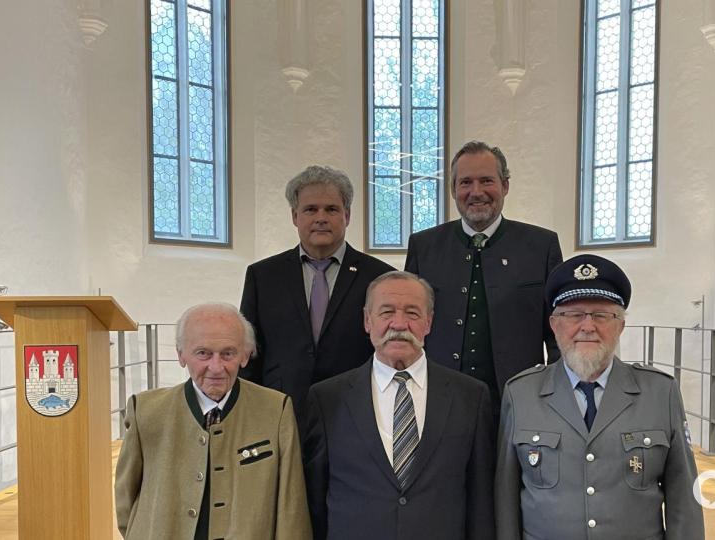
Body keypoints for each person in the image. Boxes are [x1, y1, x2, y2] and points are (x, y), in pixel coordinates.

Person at [494, 255, 705, 540]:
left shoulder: (659, 392)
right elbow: (506, 500)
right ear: (554, 325)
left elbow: (685, 498)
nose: (588, 326)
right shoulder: (521, 394)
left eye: (602, 315)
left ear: (620, 325)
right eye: (574, 315)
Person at [303, 271, 494, 540]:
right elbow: (313, 501)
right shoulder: (327, 399)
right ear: (367, 320)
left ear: (428, 322)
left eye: (413, 313)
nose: (399, 324)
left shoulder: (470, 396)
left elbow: (481, 501)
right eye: (387, 312)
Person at [114, 303, 311, 540]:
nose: (216, 368)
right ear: (181, 355)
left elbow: (291, 507)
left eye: (228, 353)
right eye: (203, 353)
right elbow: (126, 504)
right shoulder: (145, 411)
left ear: (246, 355)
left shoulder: (275, 410)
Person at [404, 140, 562, 414]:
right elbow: (410, 326)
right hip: (439, 402)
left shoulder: (541, 246)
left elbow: (558, 332)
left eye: (486, 180)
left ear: (505, 186)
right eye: (465, 183)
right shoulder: (424, 247)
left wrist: (557, 398)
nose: (476, 192)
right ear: (453, 190)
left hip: (520, 404)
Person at [240, 165, 394, 428]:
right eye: (310, 209)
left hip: (355, 412)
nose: (321, 217)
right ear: (294, 216)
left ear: (347, 215)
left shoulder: (380, 277)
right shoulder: (263, 276)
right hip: (280, 412)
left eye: (331, 209)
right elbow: (250, 353)